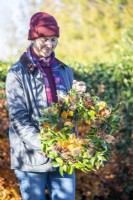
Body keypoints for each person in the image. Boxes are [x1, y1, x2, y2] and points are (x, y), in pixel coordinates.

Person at [6, 12, 86, 200]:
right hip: (31, 158)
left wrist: (78, 99)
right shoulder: (17, 73)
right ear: (33, 37)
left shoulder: (65, 70)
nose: (49, 45)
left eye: (53, 39)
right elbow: (19, 119)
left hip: (64, 156)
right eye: (44, 39)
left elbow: (69, 115)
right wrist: (47, 146)